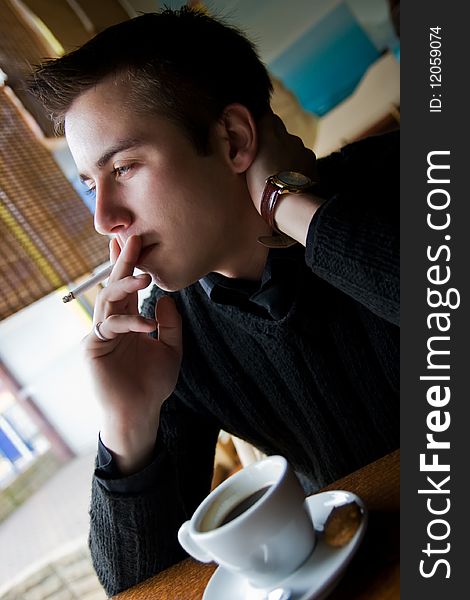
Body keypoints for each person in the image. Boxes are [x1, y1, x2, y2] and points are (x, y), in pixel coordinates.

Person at [29, 7, 399, 596]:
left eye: (124, 166)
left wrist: (289, 205)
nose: (105, 218)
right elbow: (139, 586)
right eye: (90, 184)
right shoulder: (174, 335)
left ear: (232, 140)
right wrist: (128, 425)